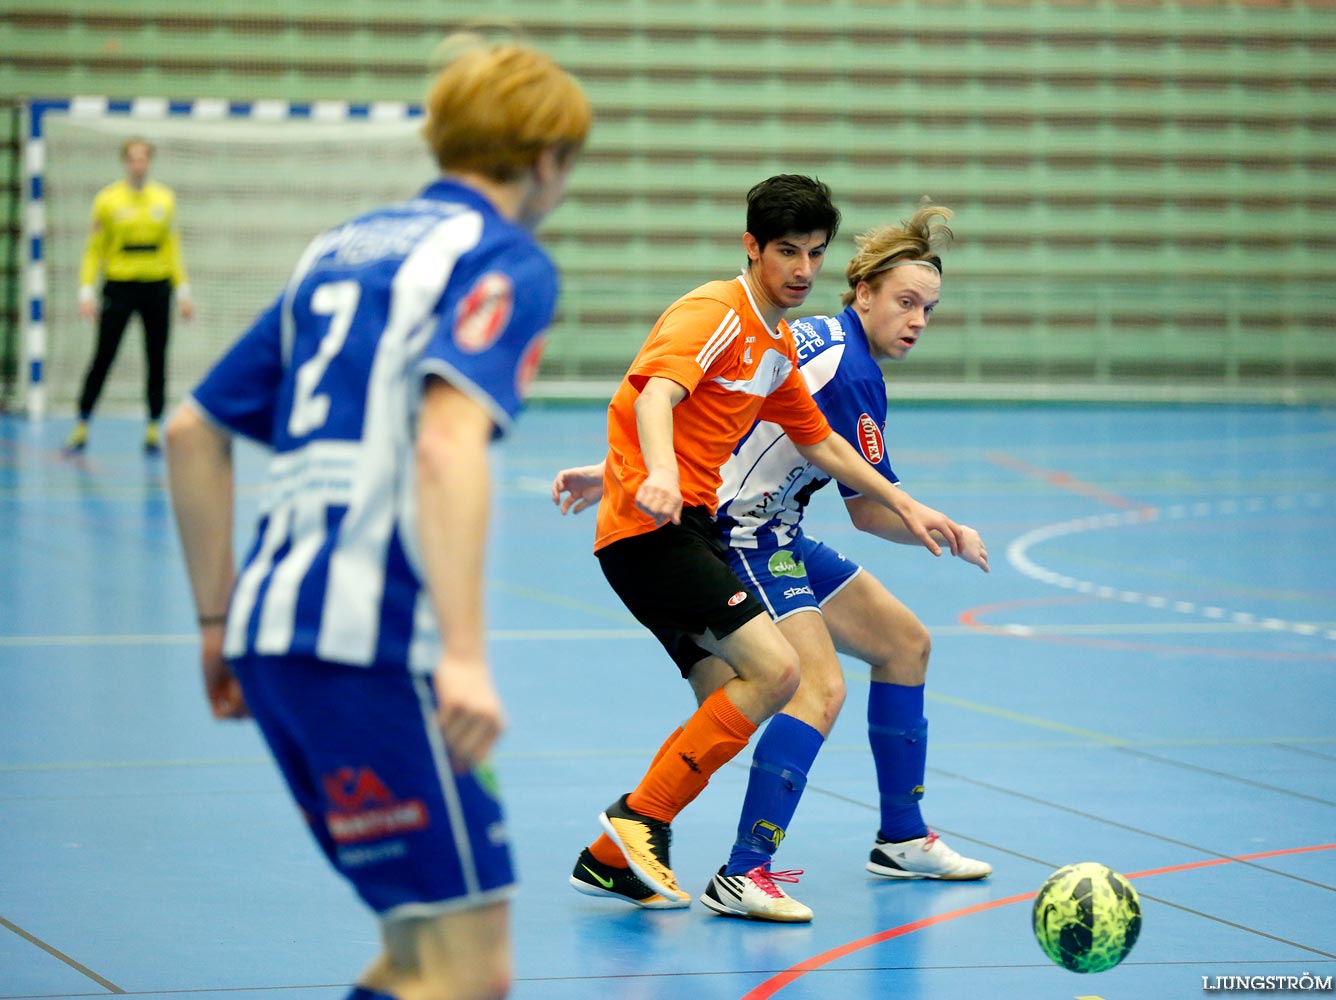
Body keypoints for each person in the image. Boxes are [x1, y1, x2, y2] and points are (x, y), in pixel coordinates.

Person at [164, 42, 589, 1000]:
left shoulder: (336, 251)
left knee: (416, 955)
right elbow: (447, 446)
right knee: (471, 972)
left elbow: (191, 430)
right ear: (551, 159)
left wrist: (211, 624)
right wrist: (468, 657)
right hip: (373, 648)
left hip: (273, 637)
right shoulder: (503, 259)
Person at [557, 204, 993, 922]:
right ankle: (744, 872)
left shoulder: (801, 340)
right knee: (811, 688)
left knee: (905, 643)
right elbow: (863, 507)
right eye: (905, 302)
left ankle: (902, 838)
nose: (917, 320)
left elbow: (726, 414)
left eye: (929, 309)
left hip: (776, 528)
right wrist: (924, 520)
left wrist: (611, 471)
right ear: (863, 295)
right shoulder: (842, 367)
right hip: (739, 533)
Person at [69, 136, 194, 454]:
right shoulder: (108, 200)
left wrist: (183, 291)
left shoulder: (163, 199)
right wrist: (86, 291)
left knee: (156, 358)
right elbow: (93, 250)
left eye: (144, 158)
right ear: (125, 162)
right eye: (133, 158)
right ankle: (82, 423)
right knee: (104, 356)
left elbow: (172, 247)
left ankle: (153, 427)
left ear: (149, 162)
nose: (139, 164)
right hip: (120, 287)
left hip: (156, 287)